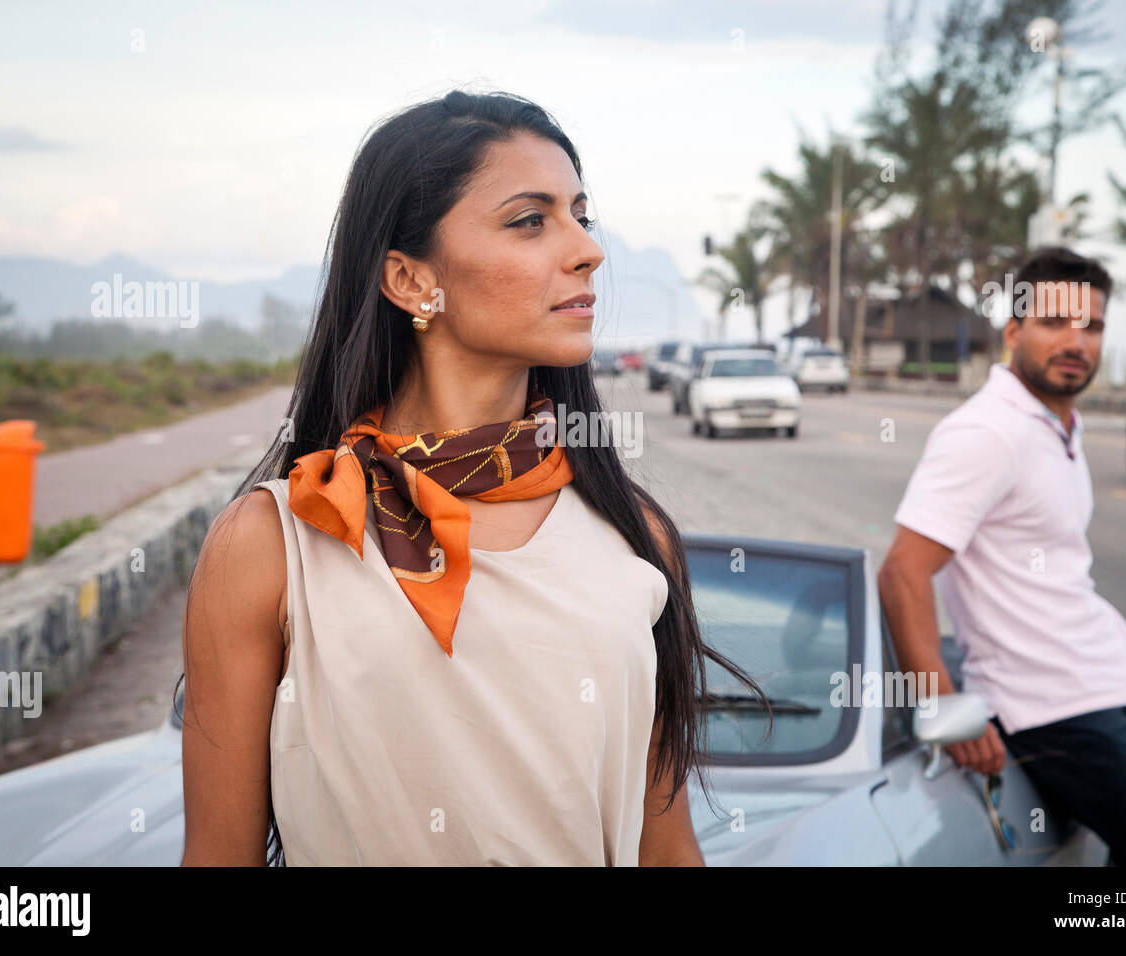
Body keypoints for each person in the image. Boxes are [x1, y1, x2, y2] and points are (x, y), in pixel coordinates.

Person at [178, 90, 767, 866]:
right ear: (412, 281)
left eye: (580, 216)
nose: (587, 249)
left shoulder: (634, 538)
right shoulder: (273, 543)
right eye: (531, 220)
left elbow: (667, 854)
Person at [878, 246, 1126, 867]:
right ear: (1014, 330)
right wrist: (942, 705)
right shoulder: (985, 433)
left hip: (1115, 681)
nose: (1077, 342)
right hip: (1053, 707)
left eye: (1091, 326)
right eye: (1055, 323)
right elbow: (904, 571)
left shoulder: (1059, 424)